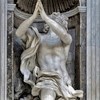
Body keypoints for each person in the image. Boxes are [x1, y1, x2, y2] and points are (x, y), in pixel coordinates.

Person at [16, 0, 83, 100]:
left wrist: (45, 17)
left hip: (65, 82)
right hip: (46, 81)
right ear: (48, 24)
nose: (63, 22)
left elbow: (64, 35)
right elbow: (19, 33)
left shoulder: (64, 40)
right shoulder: (39, 38)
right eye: (59, 20)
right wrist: (34, 16)